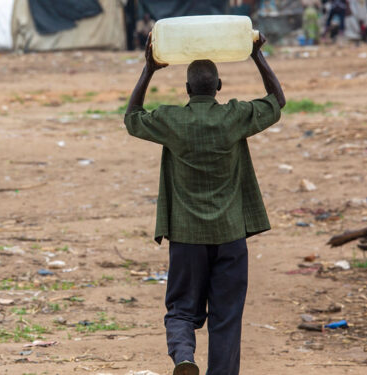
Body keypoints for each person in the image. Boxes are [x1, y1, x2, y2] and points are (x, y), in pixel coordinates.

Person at [123, 32, 285, 375]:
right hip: (230, 235)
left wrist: (149, 69)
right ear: (219, 86)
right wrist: (257, 55)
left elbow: (132, 117)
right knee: (226, 318)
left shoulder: (171, 120)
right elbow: (277, 101)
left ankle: (184, 354)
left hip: (186, 237)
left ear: (186, 89)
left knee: (181, 309)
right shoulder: (234, 117)